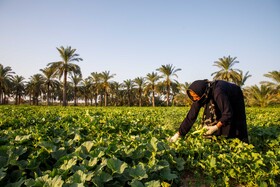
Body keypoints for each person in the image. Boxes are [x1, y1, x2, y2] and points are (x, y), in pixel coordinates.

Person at [169, 79, 249, 143]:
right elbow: (190, 117)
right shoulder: (202, 95)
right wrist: (178, 134)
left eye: (196, 97)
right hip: (220, 97)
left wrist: (215, 127)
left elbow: (228, 113)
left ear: (202, 93)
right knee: (217, 115)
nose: (195, 99)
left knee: (234, 122)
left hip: (234, 97)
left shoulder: (218, 92)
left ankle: (236, 141)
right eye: (192, 97)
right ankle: (218, 138)